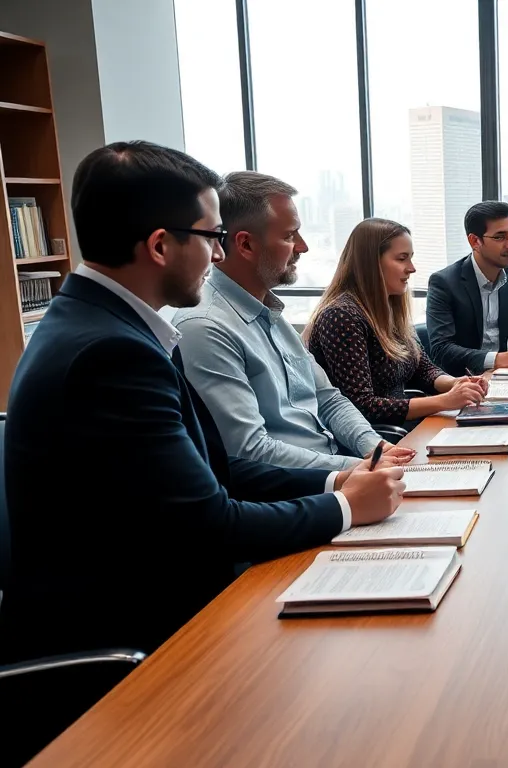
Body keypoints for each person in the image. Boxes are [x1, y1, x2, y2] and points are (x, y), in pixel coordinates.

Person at [0, 142, 405, 663]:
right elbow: (210, 525)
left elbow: (214, 469)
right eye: (212, 237)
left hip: (158, 594)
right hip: (136, 637)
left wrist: (334, 480)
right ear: (161, 246)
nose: (218, 255)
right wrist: (345, 507)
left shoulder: (105, 326)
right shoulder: (112, 353)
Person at [173, 172, 415, 471]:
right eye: (289, 236)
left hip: (333, 467)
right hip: (298, 488)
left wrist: (376, 449)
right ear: (246, 245)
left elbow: (328, 399)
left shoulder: (270, 314)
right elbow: (249, 450)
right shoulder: (205, 327)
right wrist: (352, 470)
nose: (302, 246)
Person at [305, 218, 486, 425]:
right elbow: (362, 407)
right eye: (402, 259)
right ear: (371, 264)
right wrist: (445, 401)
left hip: (403, 428)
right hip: (378, 440)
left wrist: (456, 384)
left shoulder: (388, 308)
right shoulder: (341, 316)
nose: (411, 268)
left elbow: (423, 369)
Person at [425, 200, 508, 375]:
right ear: (475, 241)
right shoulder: (444, 283)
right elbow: (442, 350)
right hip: (461, 383)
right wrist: (502, 359)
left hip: (504, 378)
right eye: (500, 237)